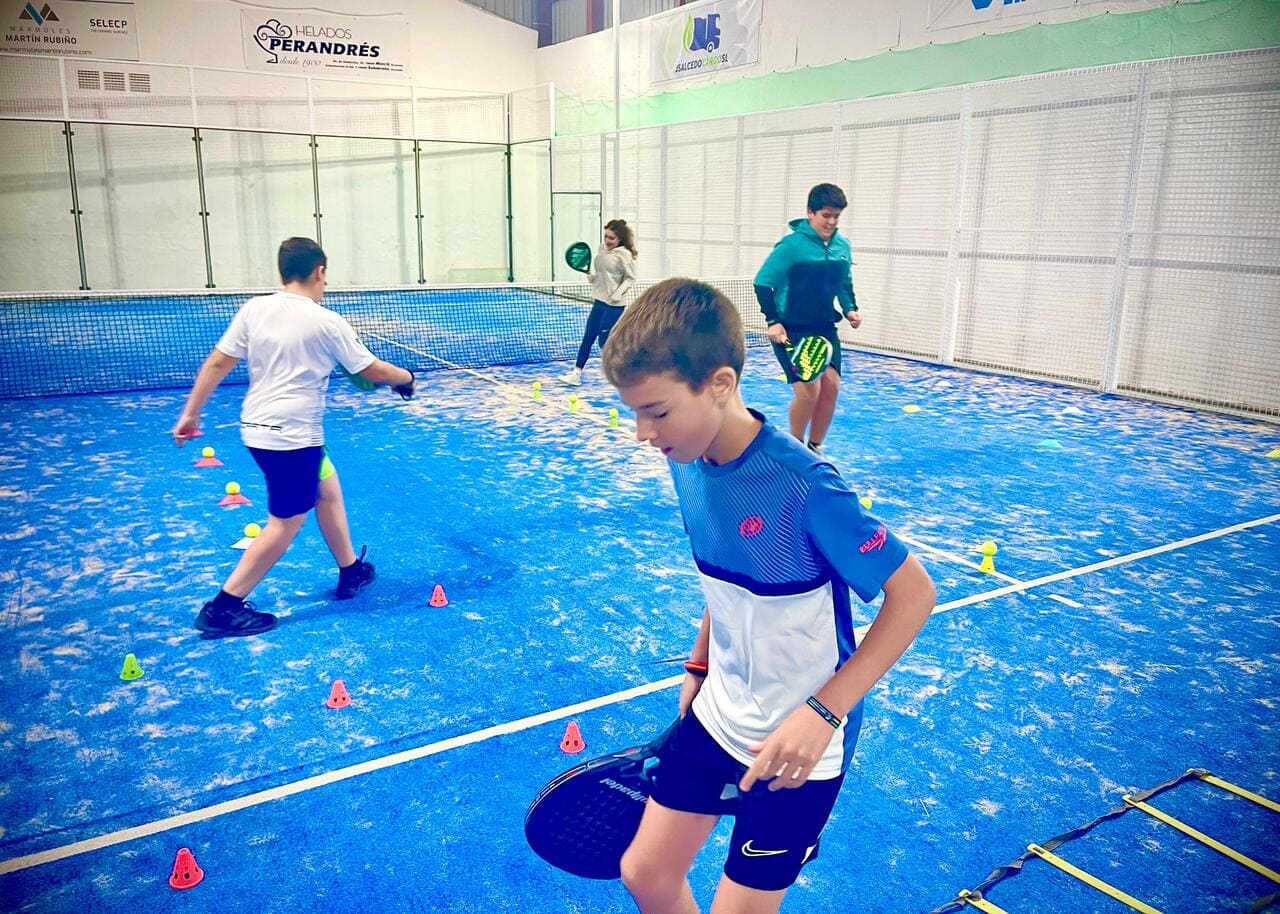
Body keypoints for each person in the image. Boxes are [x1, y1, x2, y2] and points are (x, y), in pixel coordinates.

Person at [601, 278, 935, 914]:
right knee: (645, 873)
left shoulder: (805, 486)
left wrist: (825, 712)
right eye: (636, 412)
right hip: (717, 713)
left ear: (720, 384)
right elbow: (728, 576)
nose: (644, 433)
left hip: (801, 744)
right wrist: (700, 665)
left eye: (657, 411)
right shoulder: (686, 458)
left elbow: (914, 595)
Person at [171, 237, 416, 639]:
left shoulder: (255, 309)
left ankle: (351, 570)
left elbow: (217, 362)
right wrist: (405, 379)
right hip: (291, 438)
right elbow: (371, 370)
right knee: (285, 523)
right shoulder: (327, 321)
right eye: (325, 276)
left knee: (328, 492)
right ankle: (223, 608)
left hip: (258, 429)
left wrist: (191, 413)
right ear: (319, 271)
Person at [753, 183, 861, 456]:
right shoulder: (791, 246)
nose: (832, 221)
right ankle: (795, 448)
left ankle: (815, 449)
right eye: (826, 215)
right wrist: (773, 321)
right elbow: (763, 283)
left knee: (831, 387)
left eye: (836, 216)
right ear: (810, 213)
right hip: (791, 329)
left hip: (824, 326)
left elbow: (843, 283)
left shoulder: (842, 247)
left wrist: (850, 309)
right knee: (808, 392)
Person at [560, 218, 638, 386]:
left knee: (604, 341)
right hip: (599, 300)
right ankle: (576, 373)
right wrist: (594, 277)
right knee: (588, 337)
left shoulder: (625, 255)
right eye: (605, 237)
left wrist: (619, 292)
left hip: (614, 305)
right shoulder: (602, 249)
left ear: (620, 239)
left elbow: (630, 279)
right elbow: (604, 273)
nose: (607, 241)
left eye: (611, 238)